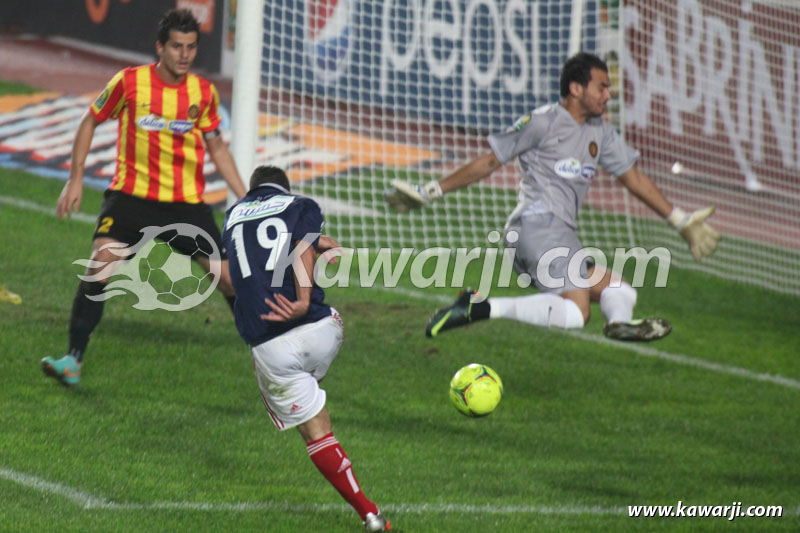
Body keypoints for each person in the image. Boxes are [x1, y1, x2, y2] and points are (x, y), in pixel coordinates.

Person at [385, 52, 720, 341]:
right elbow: (489, 161)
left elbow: (633, 178)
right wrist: (431, 191)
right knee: (577, 311)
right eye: (601, 86)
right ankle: (481, 307)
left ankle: (619, 325)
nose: (609, 94)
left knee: (619, 289)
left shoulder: (600, 132)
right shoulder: (543, 122)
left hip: (555, 233)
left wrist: (680, 219)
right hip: (538, 226)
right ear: (576, 89)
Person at [41, 9, 248, 387]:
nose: (184, 55)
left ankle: (272, 356)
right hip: (132, 199)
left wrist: (246, 197)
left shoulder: (203, 93)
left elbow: (217, 148)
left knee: (229, 281)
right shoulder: (130, 83)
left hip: (185, 204)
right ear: (160, 48)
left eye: (191, 47)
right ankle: (73, 359)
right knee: (101, 262)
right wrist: (75, 179)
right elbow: (90, 120)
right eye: (176, 47)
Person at [221, 166, 391, 532]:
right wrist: (302, 298)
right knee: (319, 344)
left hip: (270, 346)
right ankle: (313, 375)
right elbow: (298, 246)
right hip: (322, 331)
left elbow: (236, 269)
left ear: (253, 191)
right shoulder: (300, 204)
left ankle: (370, 514)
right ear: (284, 187)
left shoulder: (231, 215)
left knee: (318, 433)